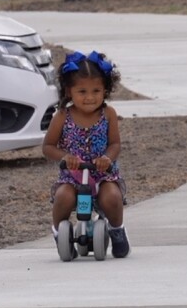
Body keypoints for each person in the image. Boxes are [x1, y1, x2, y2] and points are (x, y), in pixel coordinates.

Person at [43, 50, 130, 259]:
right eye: (82, 91)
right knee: (63, 197)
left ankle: (117, 230)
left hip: (102, 173)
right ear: (69, 91)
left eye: (96, 91)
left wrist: (107, 158)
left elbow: (115, 143)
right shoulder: (63, 116)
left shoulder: (108, 114)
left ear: (105, 90)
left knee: (112, 198)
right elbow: (48, 146)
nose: (90, 97)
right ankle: (59, 234)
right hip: (73, 175)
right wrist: (65, 157)